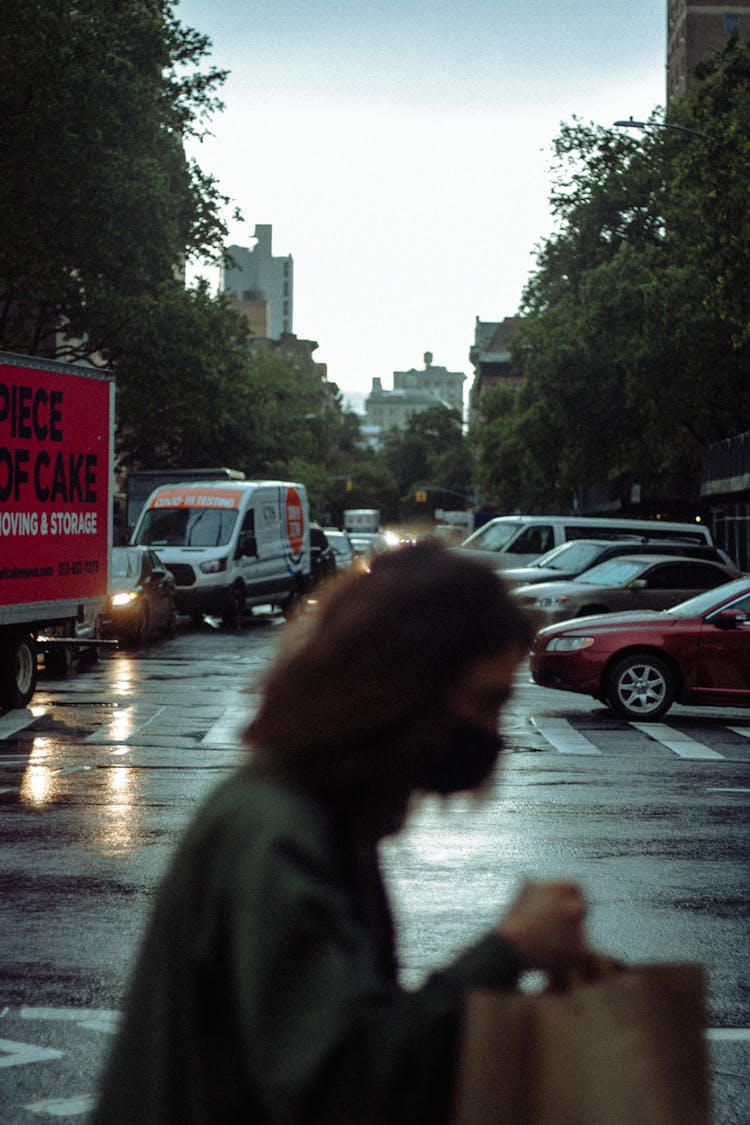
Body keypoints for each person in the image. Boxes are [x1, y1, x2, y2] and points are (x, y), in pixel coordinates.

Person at [92, 541, 594, 1125]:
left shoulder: (325, 814)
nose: (494, 732)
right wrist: (510, 951)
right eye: (486, 703)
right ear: (404, 690)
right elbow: (344, 1086)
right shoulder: (278, 832)